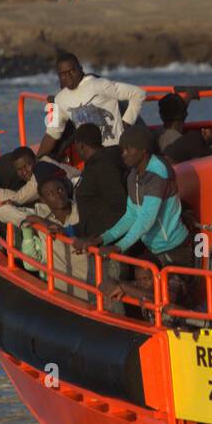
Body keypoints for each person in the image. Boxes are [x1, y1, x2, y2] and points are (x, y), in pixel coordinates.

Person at [81, 126, 196, 310]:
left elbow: (146, 219)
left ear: (144, 151)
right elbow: (131, 215)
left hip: (175, 250)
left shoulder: (157, 176)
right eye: (122, 150)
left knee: (168, 298)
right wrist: (104, 238)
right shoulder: (134, 176)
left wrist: (119, 246)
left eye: (129, 149)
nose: (124, 154)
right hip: (154, 249)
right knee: (145, 291)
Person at [38, 53, 147, 156]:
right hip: (91, 157)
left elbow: (138, 93)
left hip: (115, 150)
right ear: (58, 76)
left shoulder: (99, 84)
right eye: (63, 74)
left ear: (80, 69)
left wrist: (127, 121)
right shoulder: (60, 99)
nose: (69, 77)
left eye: (72, 71)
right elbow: (52, 134)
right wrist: (37, 159)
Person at [72, 123, 128, 241]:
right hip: (97, 237)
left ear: (80, 145)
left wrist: (99, 238)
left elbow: (119, 207)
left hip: (106, 243)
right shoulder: (99, 162)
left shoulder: (102, 167)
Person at [157, 93, 212, 163]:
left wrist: (190, 95)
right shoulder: (191, 140)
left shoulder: (157, 134)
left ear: (161, 115)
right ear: (186, 115)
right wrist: (210, 141)